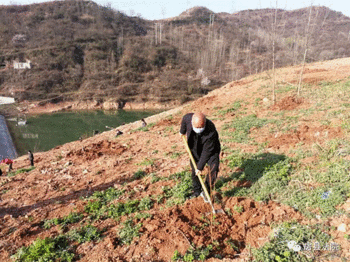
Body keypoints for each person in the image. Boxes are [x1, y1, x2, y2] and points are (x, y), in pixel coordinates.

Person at [180, 112, 221, 200]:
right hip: (195, 147)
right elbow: (184, 120)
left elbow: (207, 151)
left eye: (201, 127)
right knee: (195, 171)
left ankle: (206, 191)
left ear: (205, 123)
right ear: (192, 123)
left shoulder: (211, 130)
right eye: (197, 127)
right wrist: (182, 131)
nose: (199, 129)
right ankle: (197, 191)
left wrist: (200, 167)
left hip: (211, 149)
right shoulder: (188, 118)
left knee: (214, 168)